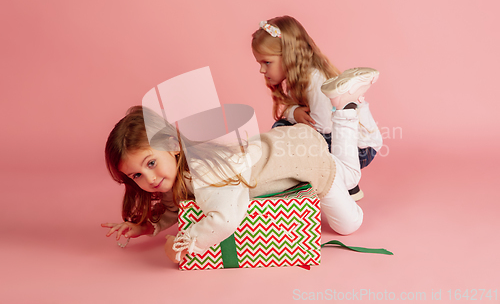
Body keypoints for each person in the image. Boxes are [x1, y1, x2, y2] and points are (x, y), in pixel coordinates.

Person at [101, 74, 374, 263]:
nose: (149, 178)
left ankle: (345, 109)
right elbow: (175, 208)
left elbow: (227, 219)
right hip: (286, 145)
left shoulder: (204, 173)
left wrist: (186, 242)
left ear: (172, 144)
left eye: (150, 163)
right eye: (136, 175)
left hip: (306, 160)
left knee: (349, 220)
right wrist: (146, 226)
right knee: (347, 174)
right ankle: (343, 108)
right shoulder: (180, 168)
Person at [251, 15, 383, 200]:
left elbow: (326, 128)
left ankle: (340, 183)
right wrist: (294, 113)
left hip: (359, 148)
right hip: (339, 139)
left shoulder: (314, 79)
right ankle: (341, 184)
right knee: (282, 129)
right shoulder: (298, 77)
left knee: (289, 138)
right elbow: (289, 111)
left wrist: (296, 126)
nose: (262, 70)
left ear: (289, 56)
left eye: (267, 62)